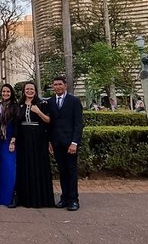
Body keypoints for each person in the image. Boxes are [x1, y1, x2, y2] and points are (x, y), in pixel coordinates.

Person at [16, 82, 54, 208]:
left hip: (38, 139)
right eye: (27, 89)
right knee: (25, 166)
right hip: (23, 140)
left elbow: (48, 120)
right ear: (24, 91)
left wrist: (38, 112)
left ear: (35, 90)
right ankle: (24, 199)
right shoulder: (20, 105)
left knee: (38, 166)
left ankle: (39, 198)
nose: (29, 91)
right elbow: (17, 123)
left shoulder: (42, 104)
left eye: (32, 89)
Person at [48, 76, 83, 212]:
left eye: (59, 84)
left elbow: (78, 123)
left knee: (71, 171)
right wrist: (50, 141)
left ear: (65, 86)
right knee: (62, 171)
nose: (57, 87)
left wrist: (74, 142)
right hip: (57, 143)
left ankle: (74, 200)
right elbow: (50, 125)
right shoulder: (50, 102)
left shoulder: (74, 101)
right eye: (55, 84)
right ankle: (64, 198)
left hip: (70, 143)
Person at [0, 83, 19, 207]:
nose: (5, 94)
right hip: (0, 141)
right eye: (4, 91)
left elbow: (16, 125)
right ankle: (2, 196)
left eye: (8, 92)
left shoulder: (15, 107)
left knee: (10, 169)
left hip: (10, 141)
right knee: (1, 169)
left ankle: (11, 197)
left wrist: (13, 141)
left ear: (11, 93)